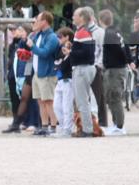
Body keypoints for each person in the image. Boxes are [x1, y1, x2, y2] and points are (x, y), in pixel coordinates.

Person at [27, 12, 60, 136]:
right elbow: (33, 49)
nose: (35, 21)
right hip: (38, 73)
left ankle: (53, 127)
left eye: (38, 19)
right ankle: (44, 126)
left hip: (47, 74)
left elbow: (45, 53)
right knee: (40, 101)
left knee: (48, 102)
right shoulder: (38, 35)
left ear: (44, 21)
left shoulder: (51, 37)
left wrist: (32, 47)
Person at [98, 9, 130, 136]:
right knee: (111, 97)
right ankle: (116, 124)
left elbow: (119, 50)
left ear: (101, 20)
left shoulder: (109, 34)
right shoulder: (116, 32)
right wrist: (128, 60)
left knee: (114, 97)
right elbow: (125, 47)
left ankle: (119, 126)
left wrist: (122, 61)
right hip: (117, 68)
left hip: (114, 69)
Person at [70, 8, 99, 137]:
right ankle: (87, 128)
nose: (72, 17)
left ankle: (87, 130)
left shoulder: (82, 32)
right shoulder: (82, 31)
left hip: (83, 68)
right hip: (84, 67)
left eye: (75, 15)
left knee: (82, 102)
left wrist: (71, 52)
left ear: (81, 17)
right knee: (83, 101)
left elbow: (87, 53)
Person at [53, 27, 75, 137]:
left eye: (60, 37)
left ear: (67, 37)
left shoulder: (72, 49)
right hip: (60, 80)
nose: (59, 39)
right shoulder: (59, 48)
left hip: (68, 79)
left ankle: (68, 129)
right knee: (56, 106)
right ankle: (62, 127)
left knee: (67, 106)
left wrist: (69, 53)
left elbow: (70, 64)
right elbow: (57, 63)